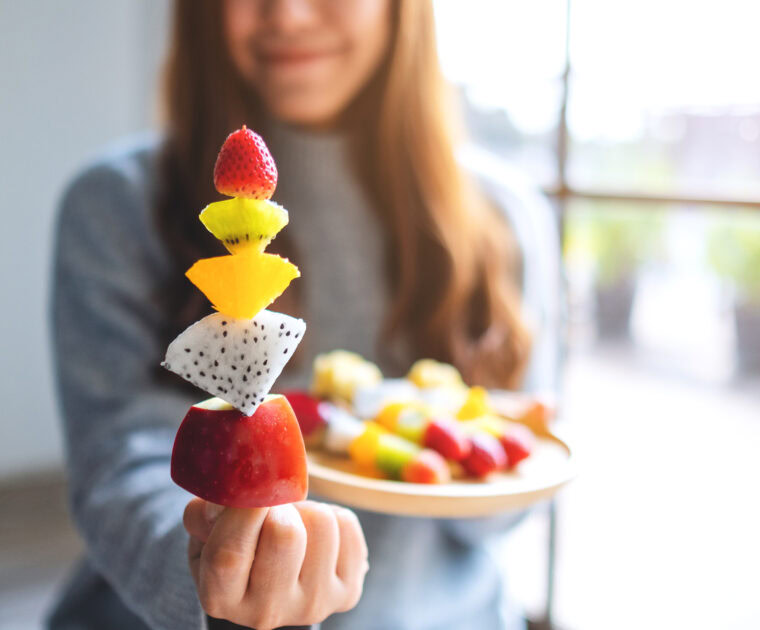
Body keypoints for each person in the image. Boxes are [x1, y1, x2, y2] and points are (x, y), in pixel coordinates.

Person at [49, 1, 561, 629]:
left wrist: (460, 448)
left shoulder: (506, 216)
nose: (287, 15)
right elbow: (120, 463)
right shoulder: (115, 203)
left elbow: (506, 506)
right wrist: (209, 571)